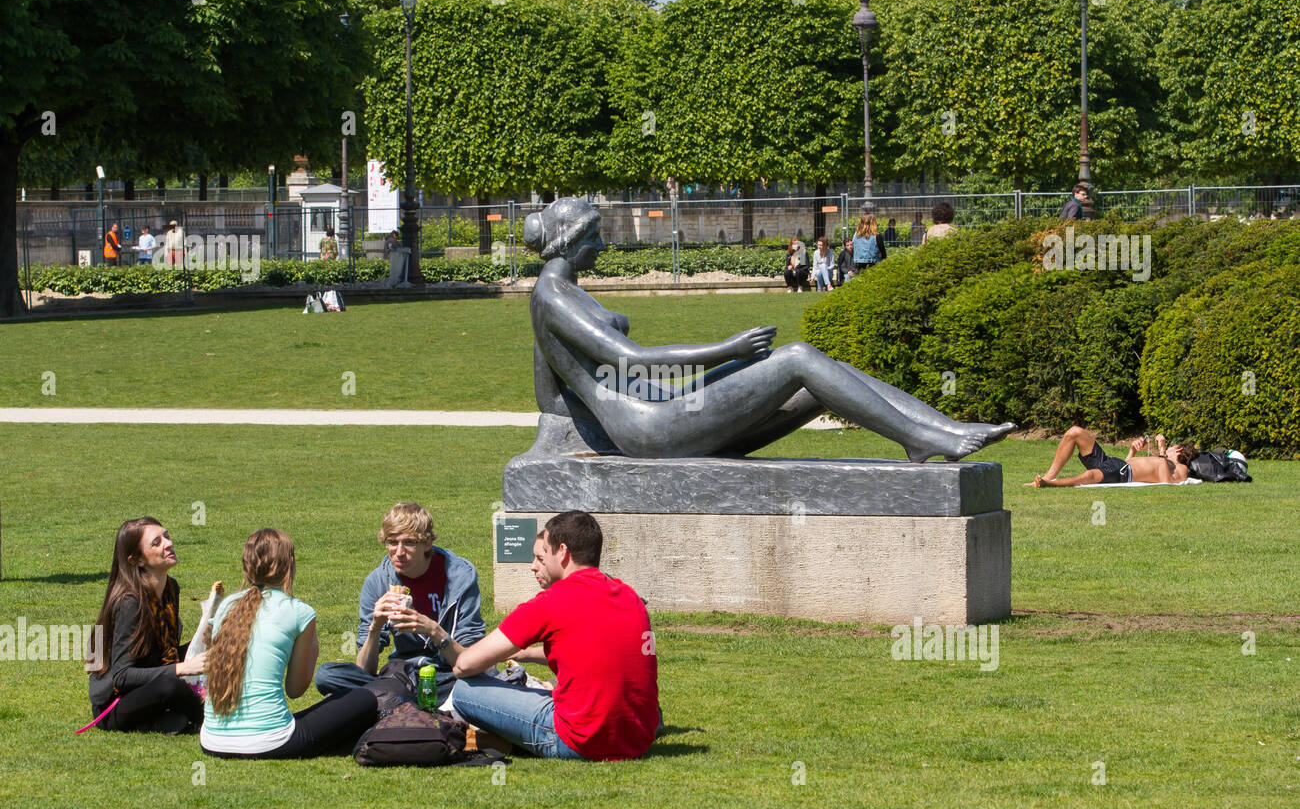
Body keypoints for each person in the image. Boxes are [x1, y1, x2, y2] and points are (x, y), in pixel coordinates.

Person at [526, 197, 1014, 462]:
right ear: (570, 241)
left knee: (825, 371)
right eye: (593, 236)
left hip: (665, 404)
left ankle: (938, 429)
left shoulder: (564, 294)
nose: (600, 246)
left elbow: (548, 394)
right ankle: (924, 436)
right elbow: (631, 359)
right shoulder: (552, 297)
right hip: (650, 426)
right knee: (798, 358)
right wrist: (728, 348)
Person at [452, 512, 658, 761]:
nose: (533, 565)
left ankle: (500, 739)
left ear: (562, 552)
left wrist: (440, 637)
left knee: (464, 690)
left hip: (577, 741)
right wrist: (526, 654)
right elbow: (590, 652)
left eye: (543, 555)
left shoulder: (552, 601)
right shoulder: (628, 596)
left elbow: (465, 664)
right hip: (638, 736)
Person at [200, 529, 377, 759]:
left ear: (246, 565)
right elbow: (295, 690)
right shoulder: (298, 612)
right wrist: (313, 647)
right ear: (290, 564)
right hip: (270, 742)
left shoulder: (227, 606)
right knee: (363, 698)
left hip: (212, 739)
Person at [314, 503, 485, 699]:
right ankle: (402, 698)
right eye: (392, 542)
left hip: (450, 676)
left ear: (427, 543)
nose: (399, 552)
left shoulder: (460, 578)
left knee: (478, 685)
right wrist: (375, 627)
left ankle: (393, 700)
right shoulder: (378, 581)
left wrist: (434, 631)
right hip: (403, 675)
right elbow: (364, 670)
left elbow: (470, 660)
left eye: (409, 543)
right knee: (327, 675)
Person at [87, 518, 206, 734]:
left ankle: (171, 719)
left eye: (167, 536)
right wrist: (182, 668)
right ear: (137, 560)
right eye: (156, 542)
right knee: (172, 685)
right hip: (116, 704)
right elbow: (122, 676)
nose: (168, 544)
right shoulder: (130, 602)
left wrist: (206, 641)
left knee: (219, 652)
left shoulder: (171, 588)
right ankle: (207, 720)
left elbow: (161, 656)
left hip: (148, 684)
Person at [1029, 427, 1200, 487]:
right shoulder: (1163, 462)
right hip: (1117, 464)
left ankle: (1049, 484)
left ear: (1178, 451)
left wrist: (1162, 451)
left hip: (1123, 472)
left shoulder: (1179, 468)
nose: (1168, 448)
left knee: (1090, 476)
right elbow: (1129, 463)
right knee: (1075, 432)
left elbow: (1166, 483)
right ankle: (1048, 476)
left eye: (1171, 447)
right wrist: (1133, 450)